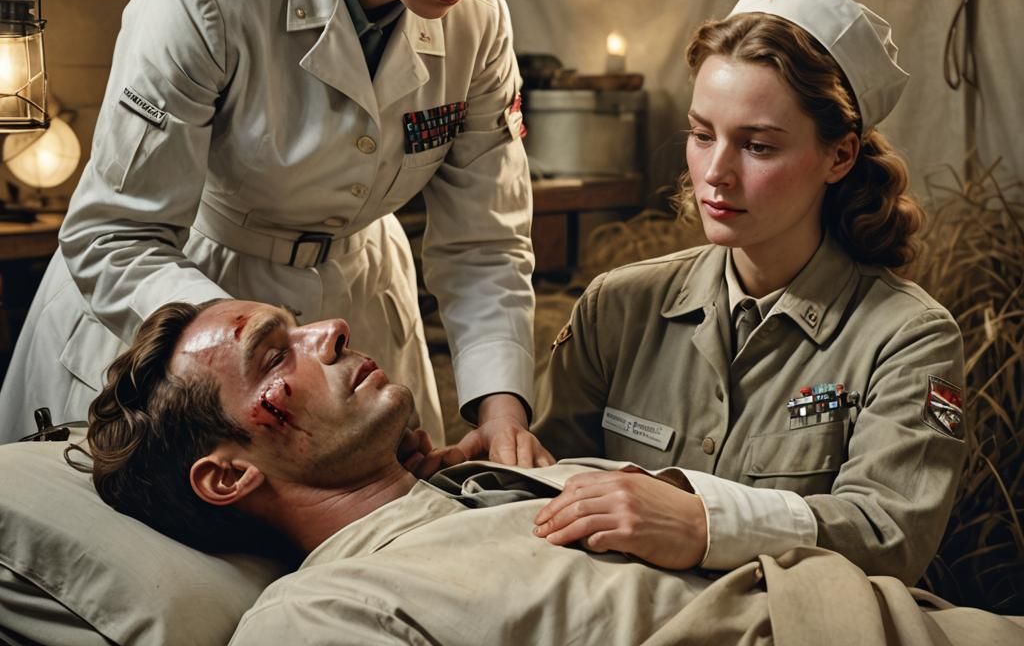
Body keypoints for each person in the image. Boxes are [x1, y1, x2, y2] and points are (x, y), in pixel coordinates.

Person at [0, 0, 558, 464]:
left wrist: (501, 410)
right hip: (186, 304)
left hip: (359, 299)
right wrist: (267, 352)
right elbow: (113, 237)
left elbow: (486, 242)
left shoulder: (479, 22)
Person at [74, 298, 1011, 646]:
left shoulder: (503, 481)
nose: (333, 329)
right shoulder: (322, 615)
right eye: (276, 353)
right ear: (227, 477)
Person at [532, 0, 967, 585]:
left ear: (840, 156)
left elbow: (888, 535)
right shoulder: (617, 307)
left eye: (757, 146)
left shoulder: (909, 339)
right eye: (701, 135)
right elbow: (542, 488)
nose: (716, 172)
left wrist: (705, 524)